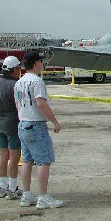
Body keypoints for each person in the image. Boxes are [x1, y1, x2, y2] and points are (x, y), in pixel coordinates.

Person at [14, 51, 64, 209]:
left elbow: (17, 105)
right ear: (36, 63)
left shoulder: (19, 82)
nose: (42, 64)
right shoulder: (37, 82)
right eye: (40, 61)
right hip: (36, 126)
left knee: (27, 160)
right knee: (44, 161)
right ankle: (43, 197)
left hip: (23, 124)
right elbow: (41, 104)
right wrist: (55, 122)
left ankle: (26, 194)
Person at [0, 56, 23, 199]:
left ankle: (2, 186)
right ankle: (12, 188)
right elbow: (19, 106)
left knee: (3, 155)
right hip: (12, 124)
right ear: (15, 69)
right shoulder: (15, 85)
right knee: (14, 156)